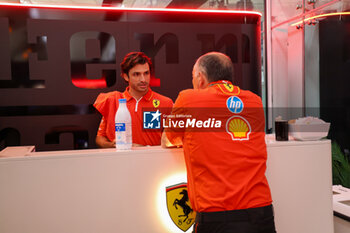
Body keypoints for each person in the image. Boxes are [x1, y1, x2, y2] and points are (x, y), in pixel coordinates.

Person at [163, 52, 276, 233]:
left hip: (216, 215)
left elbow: (168, 139)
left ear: (200, 78)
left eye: (193, 77)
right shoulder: (255, 101)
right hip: (260, 213)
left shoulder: (188, 99)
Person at [94, 52, 173, 148]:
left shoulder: (166, 103)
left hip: (152, 161)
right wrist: (112, 145)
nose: (143, 79)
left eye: (146, 73)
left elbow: (173, 141)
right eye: (137, 74)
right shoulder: (113, 100)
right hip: (119, 160)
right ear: (126, 76)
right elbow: (100, 138)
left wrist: (144, 149)